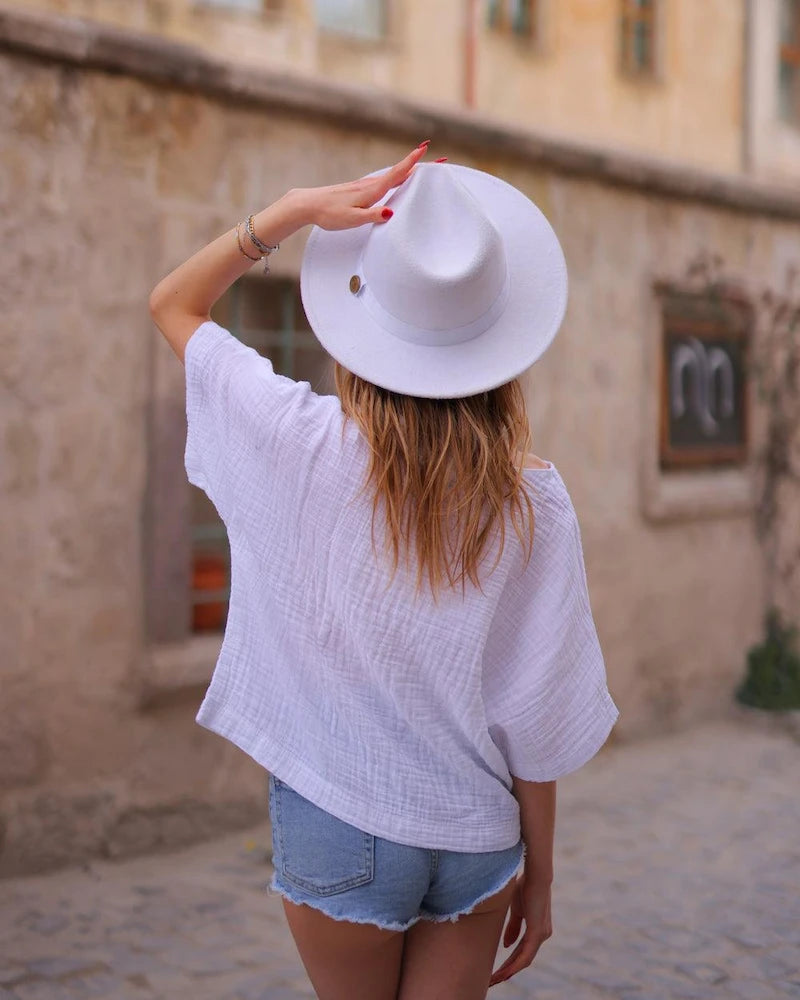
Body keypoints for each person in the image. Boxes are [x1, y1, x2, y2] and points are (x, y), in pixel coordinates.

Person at [148, 141, 619, 1000]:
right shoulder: (534, 500)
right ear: (497, 343)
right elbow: (533, 710)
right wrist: (541, 875)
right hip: (480, 834)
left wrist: (287, 214)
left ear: (367, 321)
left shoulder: (296, 437)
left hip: (342, 816)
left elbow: (175, 305)